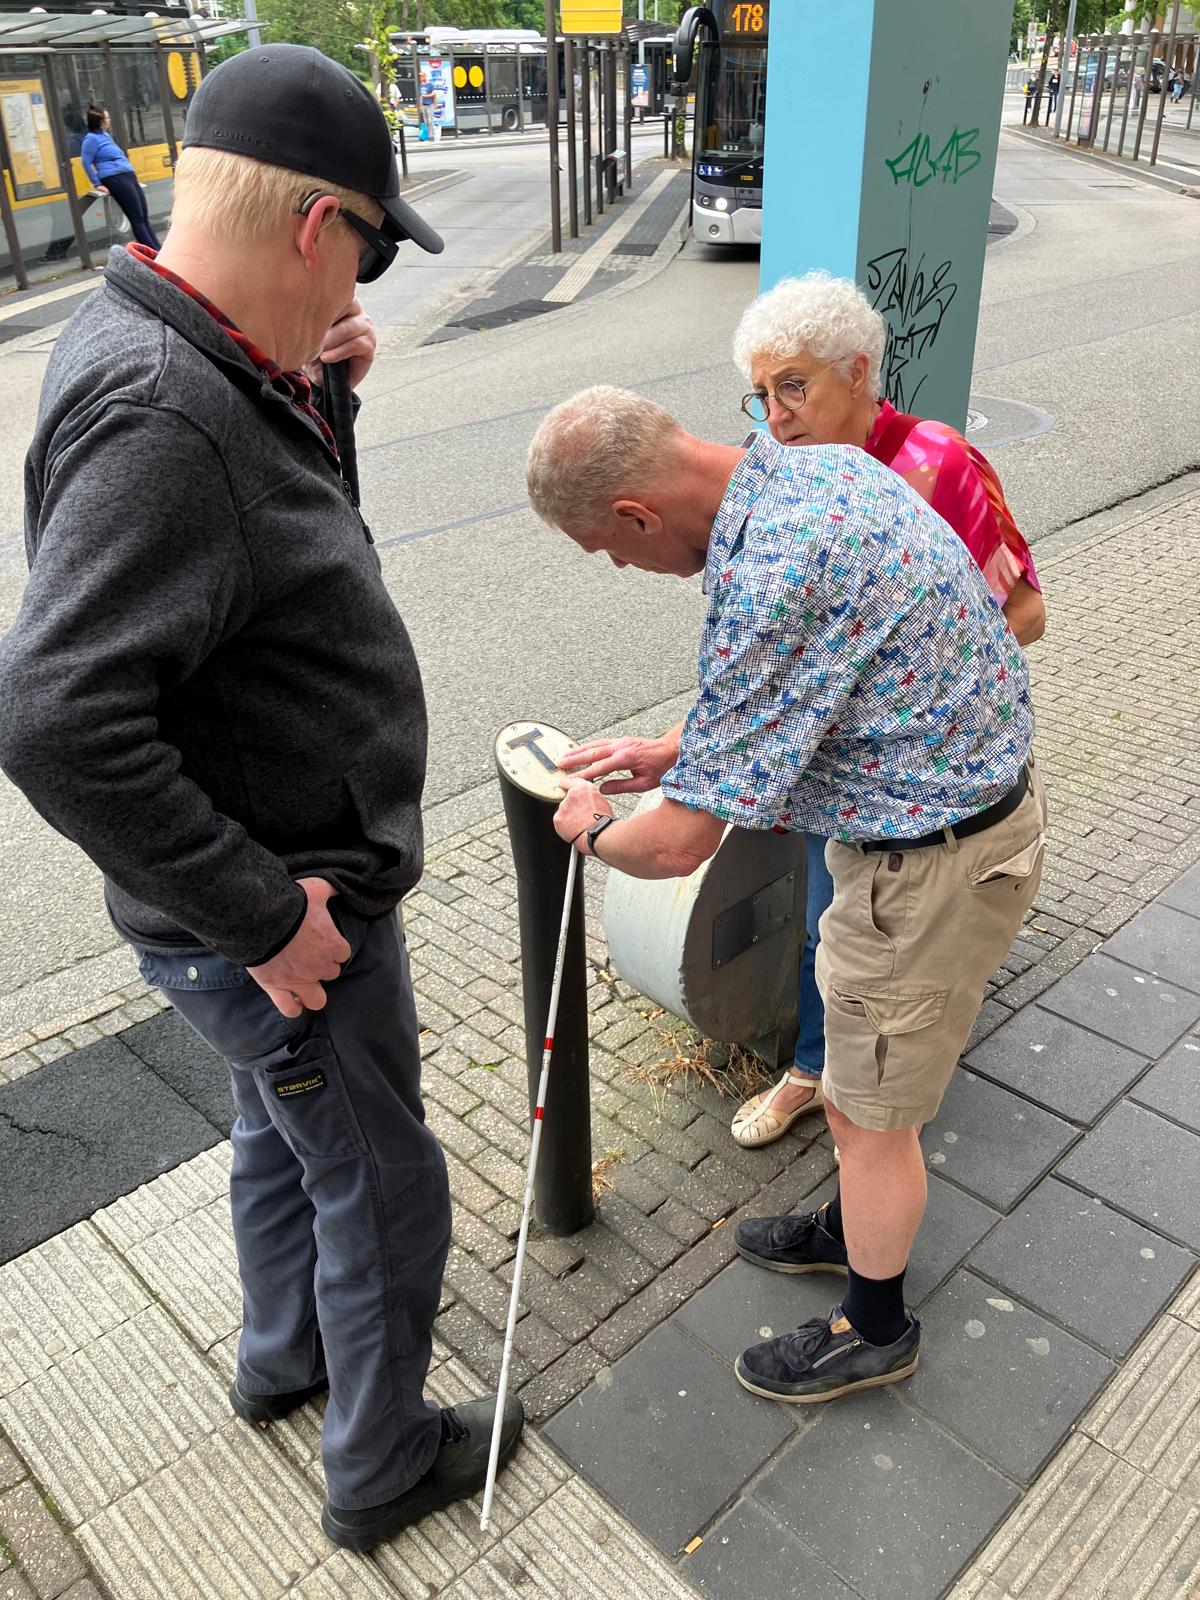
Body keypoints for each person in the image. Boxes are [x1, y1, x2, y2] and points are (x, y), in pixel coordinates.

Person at [0, 44, 521, 1552]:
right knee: (384, 1182)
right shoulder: (176, 412)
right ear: (313, 226)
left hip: (261, 891)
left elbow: (275, 569)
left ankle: (282, 1361)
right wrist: (261, 918)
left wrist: (325, 405)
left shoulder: (176, 343)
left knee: (279, 1137)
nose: (363, 284)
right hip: (286, 908)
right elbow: (50, 716)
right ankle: (379, 1462)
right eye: (363, 247)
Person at [530, 386, 1047, 1405]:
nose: (622, 567)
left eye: (609, 550)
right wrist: (673, 747)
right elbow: (810, 674)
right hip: (941, 834)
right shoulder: (819, 471)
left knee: (870, 1115)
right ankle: (855, 1219)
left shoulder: (771, 570)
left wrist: (591, 827)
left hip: (930, 871)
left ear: (635, 513)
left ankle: (876, 1323)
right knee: (864, 1100)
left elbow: (679, 847)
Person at [81, 103, 161, 249]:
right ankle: (154, 253)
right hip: (115, 178)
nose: (109, 121)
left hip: (128, 175)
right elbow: (86, 162)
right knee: (137, 218)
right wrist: (97, 183)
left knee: (143, 216)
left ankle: (158, 250)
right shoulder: (90, 140)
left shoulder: (105, 135)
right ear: (99, 121)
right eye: (107, 118)